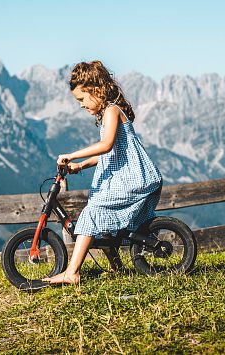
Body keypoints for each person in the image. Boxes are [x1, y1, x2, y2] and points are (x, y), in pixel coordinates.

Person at [43, 61, 162, 284]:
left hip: (133, 180)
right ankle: (117, 267)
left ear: (96, 90)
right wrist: (81, 166)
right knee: (102, 221)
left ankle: (72, 272)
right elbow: (109, 154)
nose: (80, 105)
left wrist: (73, 155)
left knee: (93, 212)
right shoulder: (108, 113)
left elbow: (106, 145)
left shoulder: (111, 111)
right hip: (126, 179)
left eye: (82, 99)